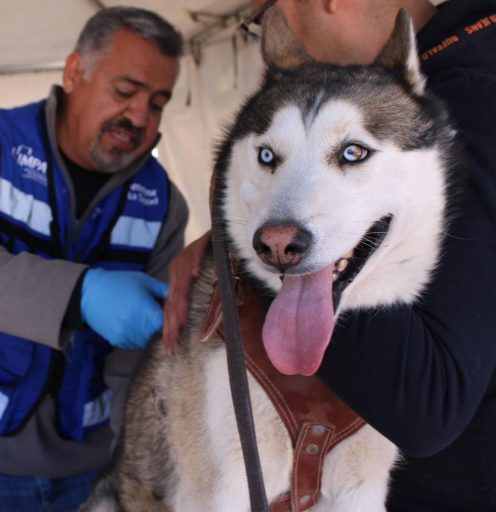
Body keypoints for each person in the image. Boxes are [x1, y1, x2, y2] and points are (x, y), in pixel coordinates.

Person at [163, 0, 496, 510]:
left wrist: (248, 233)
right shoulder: (460, 63)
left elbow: (429, 404)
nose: (264, 38)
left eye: (259, 20)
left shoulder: (468, 99)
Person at [0, 7, 188, 511]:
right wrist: (79, 294)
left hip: (92, 462)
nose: (140, 117)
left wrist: (133, 460)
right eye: (125, 92)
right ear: (75, 71)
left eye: (157, 103)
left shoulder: (164, 204)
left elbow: (142, 358)